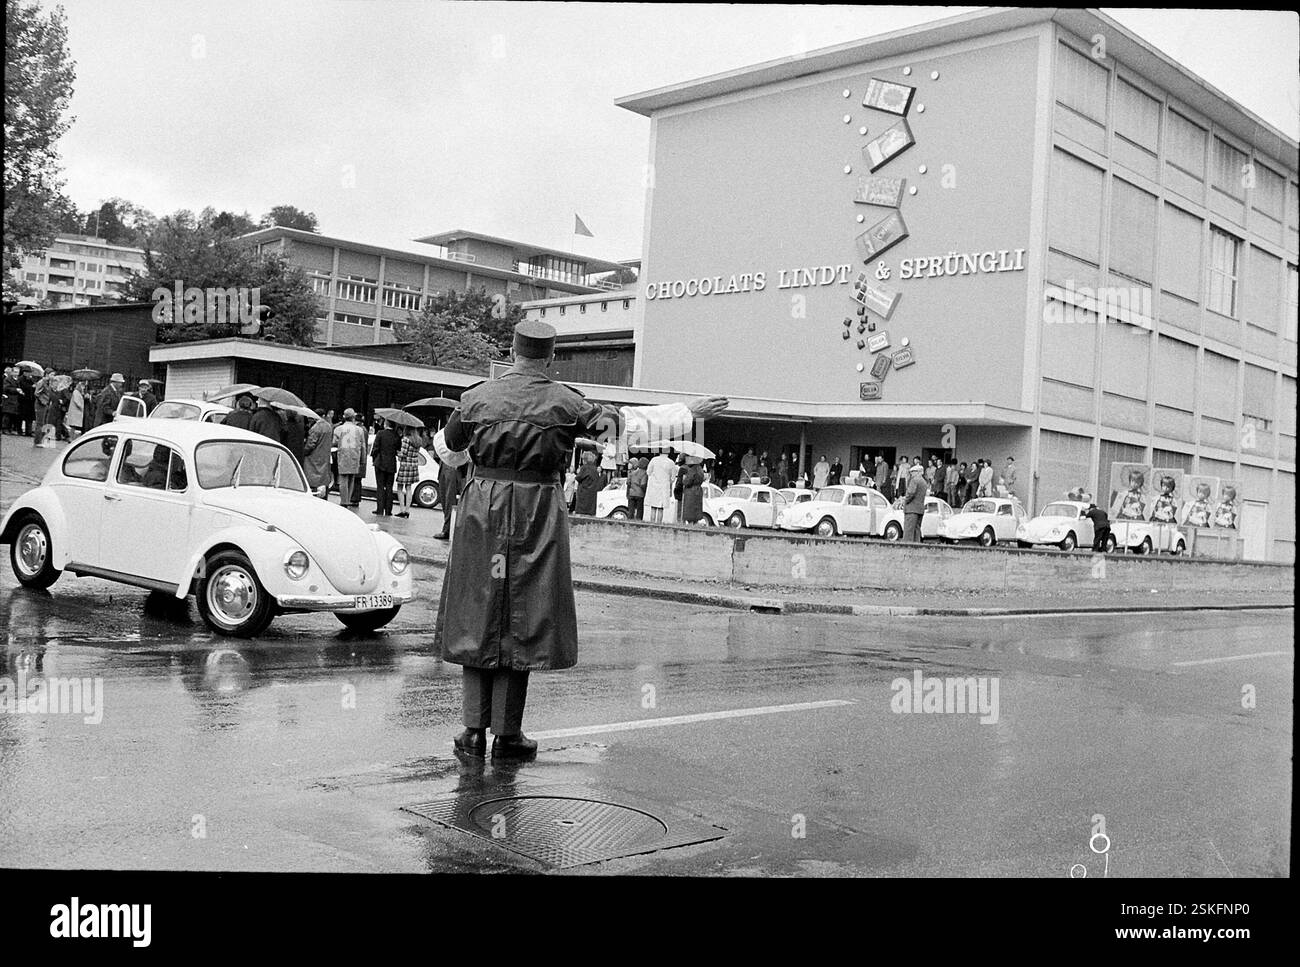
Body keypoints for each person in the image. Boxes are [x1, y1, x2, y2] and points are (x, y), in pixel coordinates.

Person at [431, 319, 728, 760]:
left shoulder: (475, 398)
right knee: (522, 616)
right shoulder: (565, 402)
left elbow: (449, 450)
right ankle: (508, 734)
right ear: (550, 357)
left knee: (478, 611)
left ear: (512, 352)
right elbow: (621, 426)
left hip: (481, 511)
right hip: (536, 509)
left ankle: (472, 730)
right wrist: (686, 412)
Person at [333, 408, 367, 508]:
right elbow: (363, 446)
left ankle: (344, 501)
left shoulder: (338, 429)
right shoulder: (359, 430)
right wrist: (363, 460)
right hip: (355, 456)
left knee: (343, 478)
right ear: (353, 418)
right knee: (351, 478)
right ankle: (348, 499)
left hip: (343, 455)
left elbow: (334, 442)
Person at [371, 417, 400, 516]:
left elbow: (375, 448)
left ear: (386, 424)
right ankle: (388, 510)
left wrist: (374, 459)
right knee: (389, 487)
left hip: (380, 462)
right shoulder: (396, 436)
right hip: (391, 463)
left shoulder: (380, 433)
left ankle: (379, 509)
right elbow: (398, 449)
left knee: (380, 487)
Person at [303, 409, 334, 498]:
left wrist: (304, 451)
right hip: (325, 456)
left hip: (314, 458)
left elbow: (310, 444)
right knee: (323, 480)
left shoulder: (315, 428)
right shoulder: (328, 427)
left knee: (313, 481)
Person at [436, 451, 467, 540]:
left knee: (449, 499)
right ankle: (448, 527)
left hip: (453, 465)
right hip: (446, 464)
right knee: (444, 498)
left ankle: (447, 529)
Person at [394, 426, 421, 518]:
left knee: (400, 488)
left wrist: (397, 452)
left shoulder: (405, 439)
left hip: (405, 465)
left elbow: (403, 453)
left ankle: (402, 510)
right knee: (409, 487)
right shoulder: (418, 440)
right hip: (414, 466)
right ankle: (407, 510)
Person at [646, 449, 675, 523]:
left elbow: (648, 472)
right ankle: (658, 524)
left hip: (654, 486)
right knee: (660, 507)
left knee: (653, 506)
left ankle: (651, 524)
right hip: (664, 487)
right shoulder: (671, 462)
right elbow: (673, 478)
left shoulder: (654, 460)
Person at [678, 455, 707, 524]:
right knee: (696, 510)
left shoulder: (692, 470)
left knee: (689, 510)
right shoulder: (700, 469)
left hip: (691, 491)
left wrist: (684, 480)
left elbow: (687, 481)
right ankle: (694, 523)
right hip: (698, 490)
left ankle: (689, 523)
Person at [902, 463, 927, 542]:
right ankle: (916, 547)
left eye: (912, 472)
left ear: (917, 472)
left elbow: (910, 493)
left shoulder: (914, 480)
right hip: (920, 509)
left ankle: (907, 548)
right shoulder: (924, 482)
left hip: (911, 509)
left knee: (908, 532)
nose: (911, 474)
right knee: (917, 531)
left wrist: (905, 500)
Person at [574, 450, 601, 515]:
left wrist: (578, 473)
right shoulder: (595, 469)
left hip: (584, 490)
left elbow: (578, 478)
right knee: (590, 509)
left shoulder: (584, 468)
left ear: (584, 460)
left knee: (581, 510)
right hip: (593, 491)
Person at [627, 455, 648, 520]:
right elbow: (643, 484)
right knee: (639, 510)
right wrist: (645, 491)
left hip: (631, 493)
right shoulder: (644, 473)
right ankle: (638, 522)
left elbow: (628, 482)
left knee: (631, 510)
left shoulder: (632, 472)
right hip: (640, 494)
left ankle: (629, 521)